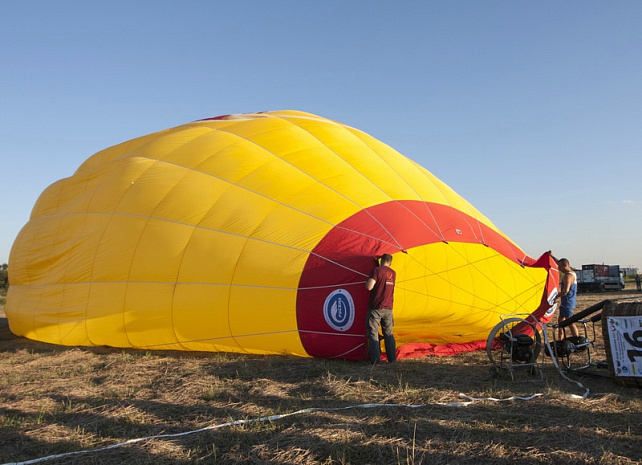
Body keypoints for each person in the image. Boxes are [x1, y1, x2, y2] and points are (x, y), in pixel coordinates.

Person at [365, 253, 397, 364]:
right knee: (389, 333)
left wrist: (367, 280)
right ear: (390, 262)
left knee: (373, 333)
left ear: (381, 260)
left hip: (376, 307)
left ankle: (375, 361)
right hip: (388, 308)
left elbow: (369, 287)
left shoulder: (376, 271)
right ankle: (392, 359)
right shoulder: (393, 273)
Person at [555, 257, 579, 339]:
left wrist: (557, 296)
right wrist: (551, 256)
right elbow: (560, 262)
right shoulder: (573, 273)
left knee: (570, 322)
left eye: (560, 267)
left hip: (567, 302)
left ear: (565, 266)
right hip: (568, 301)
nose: (559, 269)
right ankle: (560, 339)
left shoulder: (568, 277)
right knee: (560, 321)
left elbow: (565, 291)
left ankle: (576, 338)